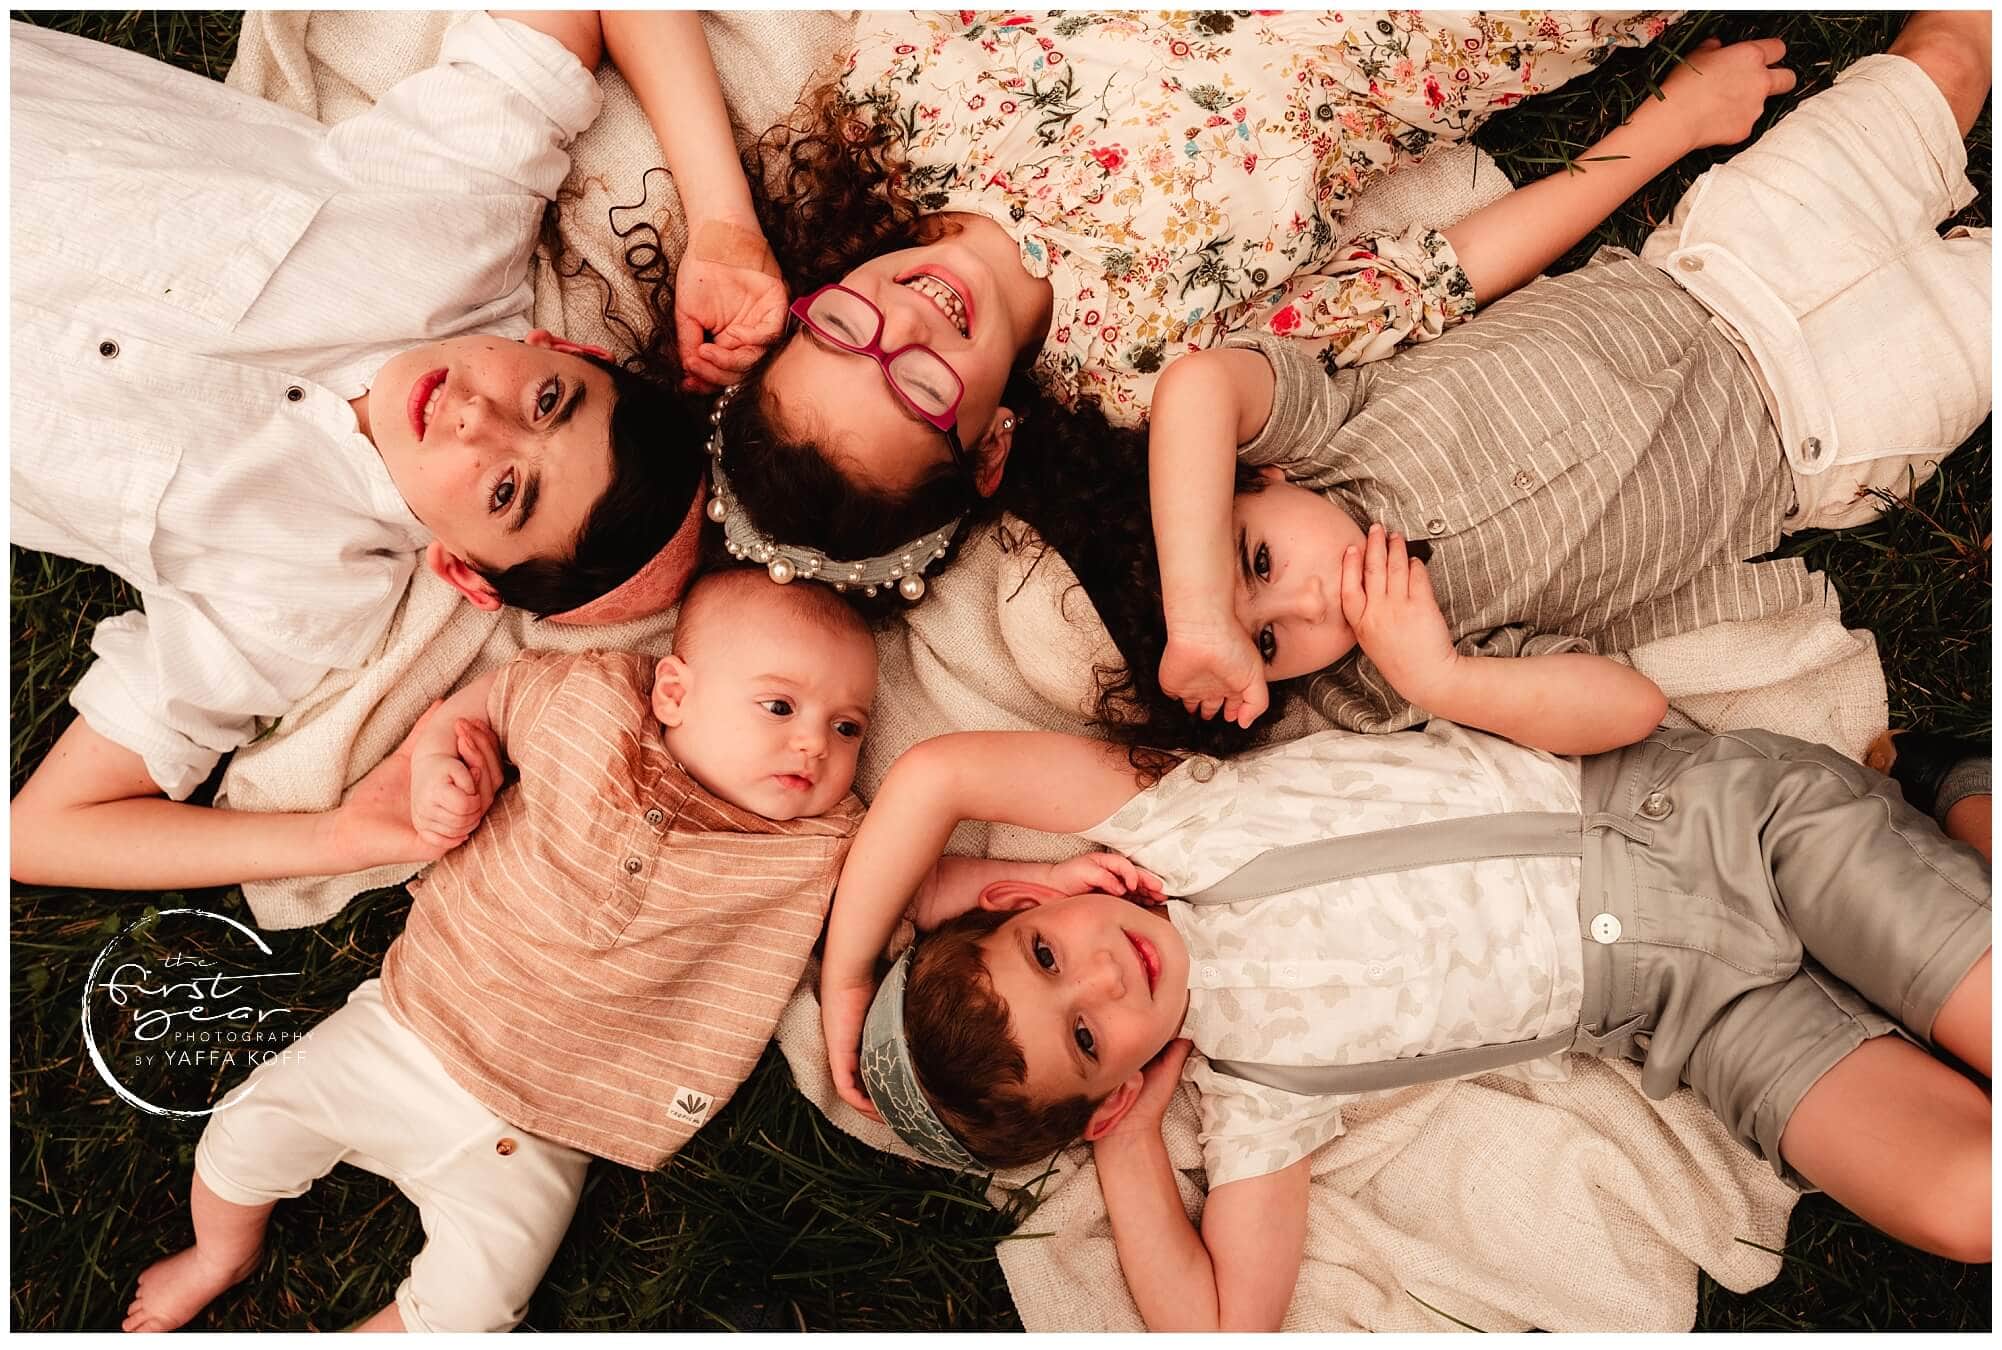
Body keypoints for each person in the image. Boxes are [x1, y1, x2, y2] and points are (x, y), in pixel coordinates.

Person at [817, 624, 1992, 1327]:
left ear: (1028, 897)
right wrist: (1130, 1145)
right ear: (1113, 1087)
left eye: (1043, 954)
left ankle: (1960, 804)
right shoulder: (1258, 1098)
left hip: (1714, 820)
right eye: (1084, 1039)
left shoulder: (1162, 818)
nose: (1102, 983)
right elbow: (1219, 1327)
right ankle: (1959, 827)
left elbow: (936, 776)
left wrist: (850, 974)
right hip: (1703, 1016)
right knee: (1970, 1209)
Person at [1036, 13, 1991, 772]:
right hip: (1822, 430)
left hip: (1723, 261)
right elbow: (1630, 710)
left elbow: (1198, 388)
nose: (1309, 603)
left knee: (1943, 64)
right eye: (1274, 642)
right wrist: (1445, 676)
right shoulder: (1391, 679)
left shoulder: (1322, 430)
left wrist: (1201, 616)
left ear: (1259, 478)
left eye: (1254, 563)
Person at [7, 10, 778, 891]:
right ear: (570, 350)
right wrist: (723, 221)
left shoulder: (294, 597)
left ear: (465, 574)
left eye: (503, 494)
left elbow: (43, 833)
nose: (474, 417)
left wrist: (344, 836)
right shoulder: (456, 219)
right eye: (546, 400)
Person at [666, 13, 1810, 597]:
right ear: (987, 447)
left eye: (841, 331)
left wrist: (721, 220)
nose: (904, 326)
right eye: (916, 388)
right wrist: (1671, 125)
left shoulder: (889, 109)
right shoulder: (1160, 380)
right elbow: (1429, 276)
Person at [122, 568, 878, 1332]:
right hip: (413, 1025)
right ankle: (219, 1255)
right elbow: (486, 704)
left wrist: (989, 880)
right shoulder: (595, 707)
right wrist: (437, 765)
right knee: (243, 1131)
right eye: (779, 706)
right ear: (676, 693)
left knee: (475, 1312)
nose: (815, 743)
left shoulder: (820, 843)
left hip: (545, 1133)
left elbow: (906, 879)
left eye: (849, 727)